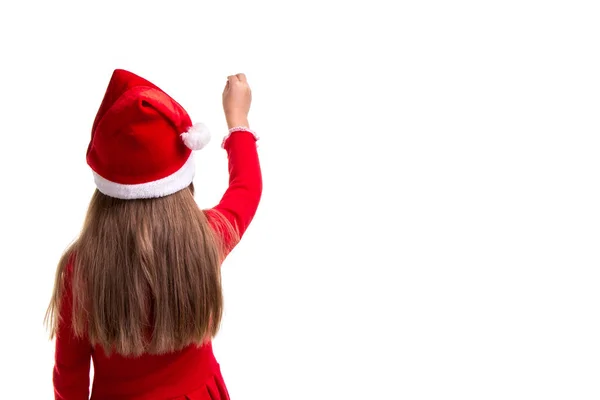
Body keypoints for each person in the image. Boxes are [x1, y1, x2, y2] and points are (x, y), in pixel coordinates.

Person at [45, 69, 262, 399]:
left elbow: (69, 378)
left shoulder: (81, 269)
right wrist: (237, 118)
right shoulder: (203, 240)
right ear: (181, 181)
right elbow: (246, 188)